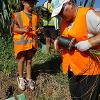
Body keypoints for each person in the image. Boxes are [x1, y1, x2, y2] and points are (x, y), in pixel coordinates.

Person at [52, 0, 100, 99]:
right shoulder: (64, 20)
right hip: (72, 69)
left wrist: (89, 43)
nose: (61, 15)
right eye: (59, 13)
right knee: (75, 97)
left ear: (70, 3)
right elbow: (67, 36)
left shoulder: (87, 15)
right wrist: (59, 41)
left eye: (62, 11)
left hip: (89, 71)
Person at [12, 0, 40, 90]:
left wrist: (38, 31)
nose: (32, 4)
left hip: (32, 42)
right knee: (22, 59)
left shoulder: (35, 16)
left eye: (33, 3)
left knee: (29, 60)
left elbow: (35, 28)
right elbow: (14, 28)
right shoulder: (17, 15)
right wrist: (23, 30)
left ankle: (28, 78)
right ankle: (20, 78)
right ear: (23, 2)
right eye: (30, 2)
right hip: (22, 42)